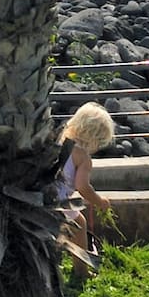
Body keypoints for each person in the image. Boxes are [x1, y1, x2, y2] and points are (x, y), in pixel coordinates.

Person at [57, 102, 114, 270]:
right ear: (95, 139)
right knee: (79, 225)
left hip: (42, 191)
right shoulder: (82, 157)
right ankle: (81, 269)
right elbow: (82, 186)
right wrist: (99, 201)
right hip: (58, 199)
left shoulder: (59, 140)